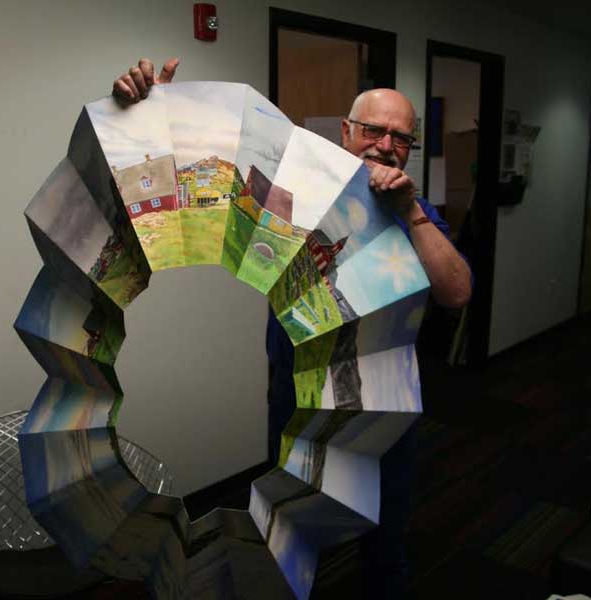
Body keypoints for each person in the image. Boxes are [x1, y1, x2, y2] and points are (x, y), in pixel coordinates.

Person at [113, 58, 472, 599]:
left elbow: (457, 292)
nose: (385, 145)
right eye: (374, 130)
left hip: (382, 411)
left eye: (401, 137)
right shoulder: (294, 185)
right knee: (288, 534)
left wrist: (412, 213)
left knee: (384, 547)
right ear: (347, 132)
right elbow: (206, 175)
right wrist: (155, 116)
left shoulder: (407, 207)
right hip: (295, 400)